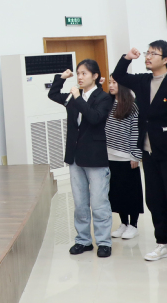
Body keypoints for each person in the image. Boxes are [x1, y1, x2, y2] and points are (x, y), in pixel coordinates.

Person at [112, 41, 167, 267]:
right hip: (149, 153)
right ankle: (163, 243)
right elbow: (119, 76)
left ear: (166, 59)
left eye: (154, 53)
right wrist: (127, 58)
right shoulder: (143, 81)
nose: (148, 57)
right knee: (155, 200)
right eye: (147, 53)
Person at [49, 60, 114, 258]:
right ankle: (83, 240)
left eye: (84, 73)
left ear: (95, 76)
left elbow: (94, 118)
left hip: (95, 157)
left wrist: (78, 97)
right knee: (80, 203)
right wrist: (61, 78)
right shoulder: (72, 95)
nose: (79, 77)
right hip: (75, 156)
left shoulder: (104, 97)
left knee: (99, 202)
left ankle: (104, 242)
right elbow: (53, 94)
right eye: (78, 73)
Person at [105, 76, 143, 241]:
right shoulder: (107, 104)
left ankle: (133, 225)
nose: (111, 85)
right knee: (117, 191)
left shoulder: (132, 106)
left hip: (127, 156)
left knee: (131, 192)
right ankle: (123, 223)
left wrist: (135, 155)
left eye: (115, 82)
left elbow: (136, 132)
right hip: (109, 155)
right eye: (110, 82)